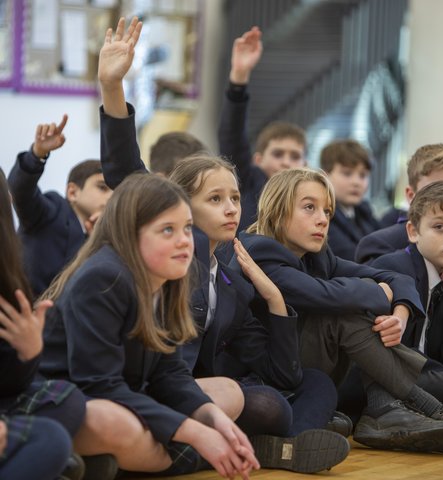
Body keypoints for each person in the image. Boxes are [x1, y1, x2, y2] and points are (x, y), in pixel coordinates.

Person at [97, 16, 350, 474]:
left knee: (303, 388)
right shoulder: (174, 248)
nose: (232, 208)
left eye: (235, 198)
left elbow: (282, 373)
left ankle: (269, 447)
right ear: (180, 207)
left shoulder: (234, 264)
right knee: (261, 405)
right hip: (162, 387)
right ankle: (250, 447)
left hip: (208, 388)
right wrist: (113, 89)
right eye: (216, 199)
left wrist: (274, 299)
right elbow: (123, 170)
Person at [230, 167, 443, 456]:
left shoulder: (318, 257)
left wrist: (400, 312)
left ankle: (290, 446)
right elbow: (322, 295)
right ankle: (431, 410)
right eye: (310, 208)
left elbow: (397, 279)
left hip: (310, 371)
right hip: (261, 373)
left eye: (327, 210)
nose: (323, 219)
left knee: (324, 385)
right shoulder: (258, 252)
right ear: (277, 209)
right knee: (343, 312)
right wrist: (377, 292)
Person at [40, 170, 259, 478]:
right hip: (74, 400)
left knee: (228, 393)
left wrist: (212, 421)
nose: (184, 241)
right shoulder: (101, 278)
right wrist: (196, 433)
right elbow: (99, 384)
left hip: (128, 393)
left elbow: (169, 372)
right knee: (116, 423)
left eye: (186, 228)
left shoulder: (168, 277)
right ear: (131, 234)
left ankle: (114, 464)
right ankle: (190, 457)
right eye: (167, 230)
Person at [0, 167, 85, 480]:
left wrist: (29, 352)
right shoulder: (52, 213)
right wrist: (37, 156)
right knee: (52, 440)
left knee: (68, 399)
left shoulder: (8, 270)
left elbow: (10, 383)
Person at [371, 181, 443, 411]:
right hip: (388, 382)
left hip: (425, 375)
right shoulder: (393, 267)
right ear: (413, 232)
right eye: (440, 227)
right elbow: (393, 356)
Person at [8, 116, 112, 297]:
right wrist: (37, 155)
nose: (111, 197)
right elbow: (20, 192)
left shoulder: (106, 235)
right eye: (102, 188)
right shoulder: (54, 210)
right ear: (72, 192)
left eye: (115, 192)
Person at [218, 26, 307, 231]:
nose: (286, 162)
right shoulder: (245, 182)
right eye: (277, 153)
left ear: (305, 164)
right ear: (257, 160)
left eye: (294, 156)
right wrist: (239, 77)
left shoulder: (312, 203)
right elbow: (232, 135)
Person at [319, 139, 380, 261]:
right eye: (347, 174)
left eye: (363, 175)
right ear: (325, 176)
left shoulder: (364, 212)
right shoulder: (323, 216)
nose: (356, 182)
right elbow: (352, 257)